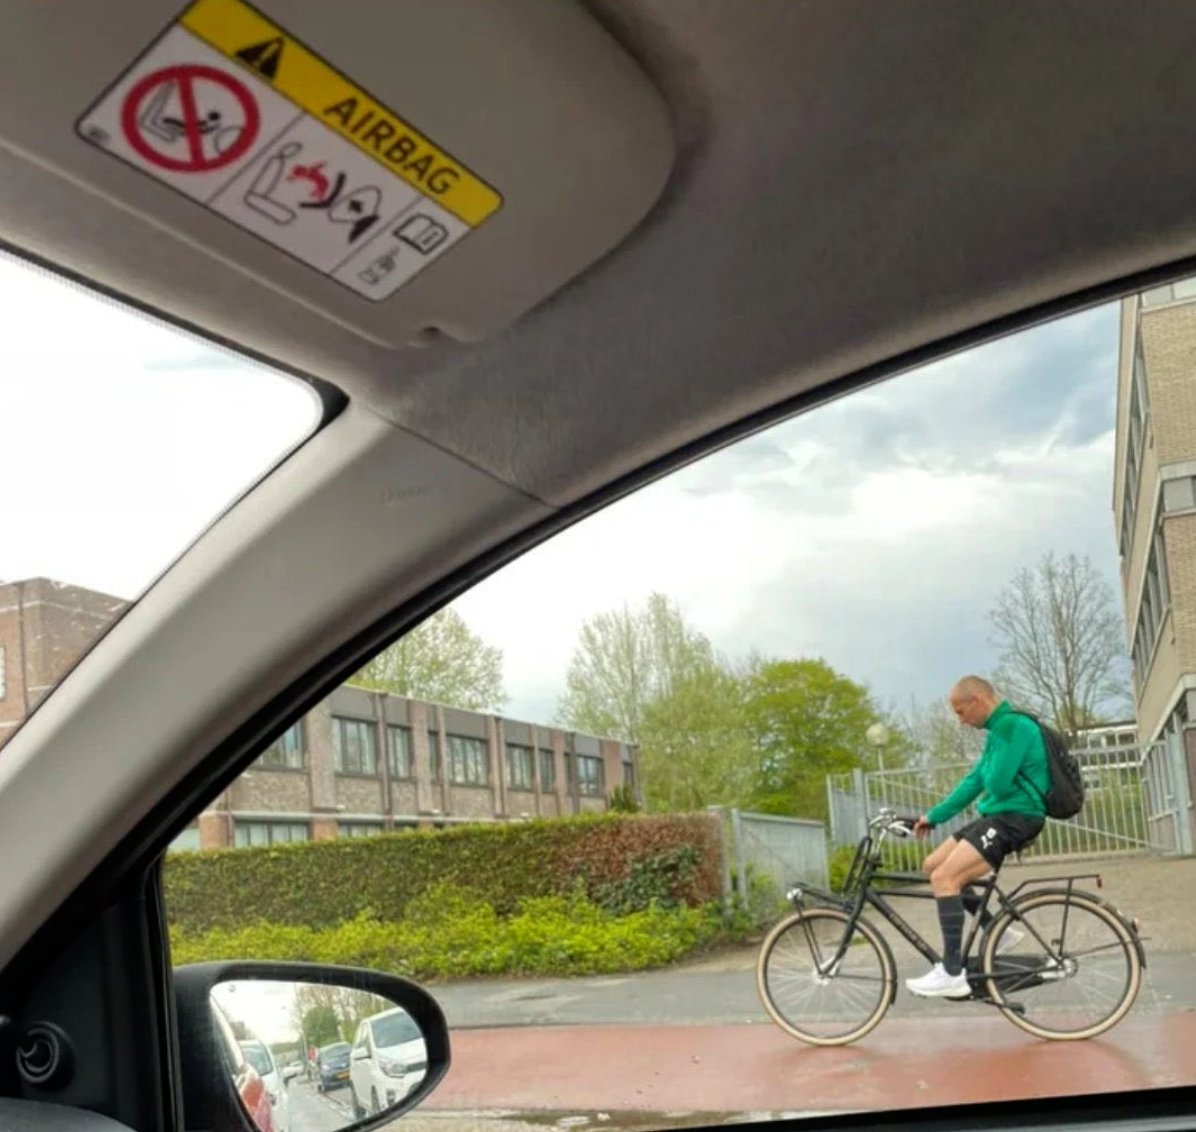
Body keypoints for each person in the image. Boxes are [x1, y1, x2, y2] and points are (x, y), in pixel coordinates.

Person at [904, 675, 1050, 999]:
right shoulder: (997, 734)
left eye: (960, 712)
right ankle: (995, 929)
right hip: (998, 815)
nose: (960, 721)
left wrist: (988, 774)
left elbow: (995, 783)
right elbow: (974, 781)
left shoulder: (1013, 727)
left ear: (978, 701)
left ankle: (952, 973)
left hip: (1017, 817)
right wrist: (933, 816)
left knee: (945, 878)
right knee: (933, 864)